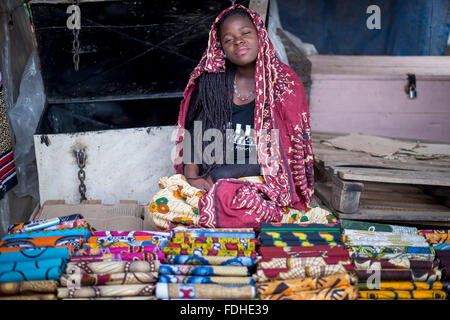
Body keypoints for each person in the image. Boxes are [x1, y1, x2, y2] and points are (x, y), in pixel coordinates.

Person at [170, 4, 315, 228]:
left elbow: (284, 155)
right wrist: (191, 176)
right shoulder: (213, 80)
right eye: (229, 39)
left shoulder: (284, 84)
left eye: (245, 33)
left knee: (259, 211)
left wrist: (223, 175)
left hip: (263, 181)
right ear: (221, 48)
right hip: (209, 177)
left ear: (260, 35)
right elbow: (194, 127)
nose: (238, 41)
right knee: (164, 205)